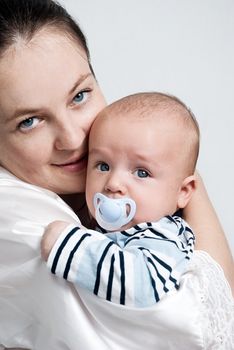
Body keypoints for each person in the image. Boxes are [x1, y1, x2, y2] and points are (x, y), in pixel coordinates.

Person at [0, 0, 233, 349]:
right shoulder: (15, 217)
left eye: (80, 95)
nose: (74, 138)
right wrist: (173, 178)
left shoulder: (114, 190)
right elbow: (194, 325)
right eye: (29, 121)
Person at [41, 92, 199, 308]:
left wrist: (69, 246)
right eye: (103, 166)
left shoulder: (163, 237)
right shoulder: (114, 228)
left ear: (183, 192)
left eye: (141, 172)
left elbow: (144, 286)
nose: (113, 183)